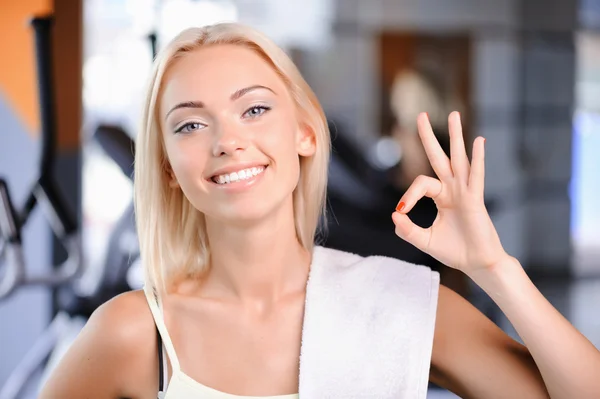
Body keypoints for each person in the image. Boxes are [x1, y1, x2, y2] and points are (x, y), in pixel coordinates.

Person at [39, 23, 600, 399]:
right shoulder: (133, 332)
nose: (227, 141)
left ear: (305, 132)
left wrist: (494, 268)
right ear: (166, 166)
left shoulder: (402, 302)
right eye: (191, 123)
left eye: (254, 109)